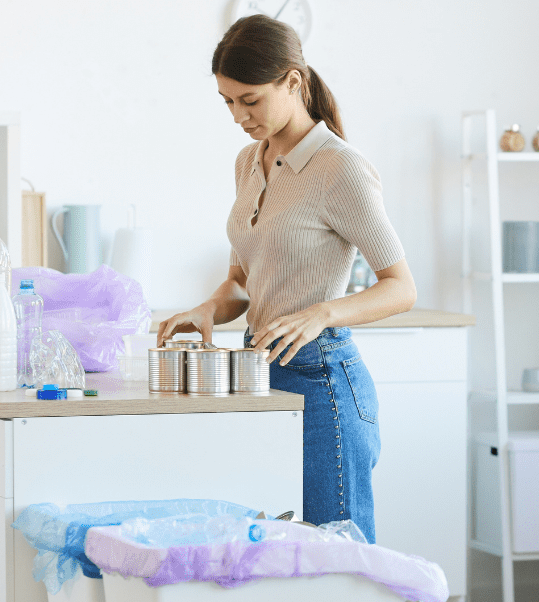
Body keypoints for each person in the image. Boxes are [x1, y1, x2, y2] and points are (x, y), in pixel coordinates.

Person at [158, 14, 415, 544]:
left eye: (249, 100)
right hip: (260, 372)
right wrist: (208, 308)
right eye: (228, 102)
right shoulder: (248, 161)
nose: (237, 116)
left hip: (323, 382)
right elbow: (242, 278)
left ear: (293, 82)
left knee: (333, 562)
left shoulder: (339, 169)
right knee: (274, 562)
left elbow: (401, 286)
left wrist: (323, 312)